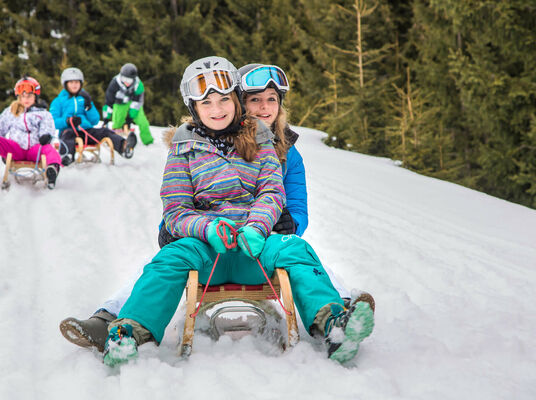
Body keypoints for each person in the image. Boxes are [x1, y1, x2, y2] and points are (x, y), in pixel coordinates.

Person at [58, 62, 370, 355]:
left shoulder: (264, 143)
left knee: (297, 249)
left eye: (223, 100)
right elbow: (176, 205)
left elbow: (273, 193)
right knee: (167, 260)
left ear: (235, 101)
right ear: (195, 107)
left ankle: (336, 323)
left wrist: (263, 225)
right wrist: (202, 228)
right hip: (207, 249)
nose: (217, 109)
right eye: (207, 102)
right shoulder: (185, 149)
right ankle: (128, 330)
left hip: (259, 245)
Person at [0, 76, 61, 189]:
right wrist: (1, 146)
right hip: (16, 150)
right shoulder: (11, 112)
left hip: (35, 150)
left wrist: (45, 136)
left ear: (36, 97)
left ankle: (52, 170)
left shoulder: (43, 114)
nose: (26, 99)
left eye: (29, 96)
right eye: (23, 96)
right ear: (18, 97)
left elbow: (48, 128)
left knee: (49, 149)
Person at [50, 67, 137, 166]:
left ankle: (124, 147)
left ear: (81, 83)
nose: (74, 85)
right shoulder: (58, 101)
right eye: (71, 82)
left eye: (77, 82)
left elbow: (95, 120)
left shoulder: (84, 99)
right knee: (67, 135)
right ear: (65, 84)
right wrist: (67, 121)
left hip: (86, 131)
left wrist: (89, 106)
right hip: (68, 132)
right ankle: (67, 156)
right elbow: (53, 121)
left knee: (105, 131)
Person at [102, 63, 154, 146]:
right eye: (124, 79)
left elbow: (138, 103)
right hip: (120, 104)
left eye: (129, 80)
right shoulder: (114, 83)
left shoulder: (138, 86)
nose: (126, 82)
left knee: (143, 122)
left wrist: (129, 119)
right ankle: (115, 139)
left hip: (134, 105)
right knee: (117, 121)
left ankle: (148, 141)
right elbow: (109, 102)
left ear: (133, 79)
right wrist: (106, 118)